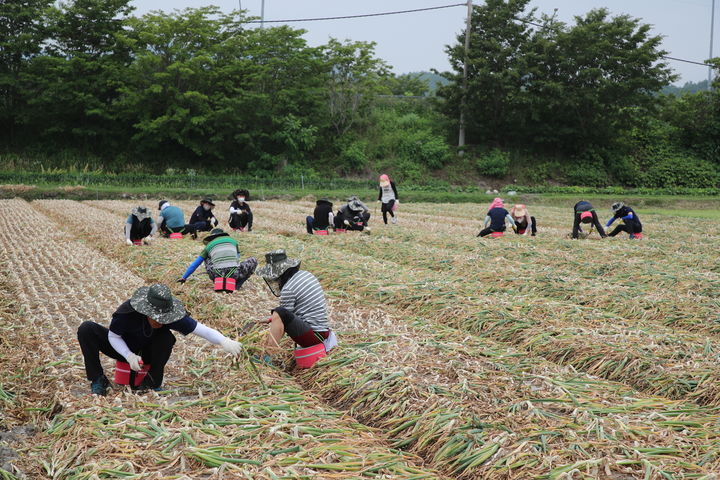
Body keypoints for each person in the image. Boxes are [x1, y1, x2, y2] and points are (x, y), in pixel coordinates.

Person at [77, 284, 243, 395]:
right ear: (146, 310)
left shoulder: (171, 315)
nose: (160, 320)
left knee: (166, 337)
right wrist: (128, 355)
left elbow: (201, 329)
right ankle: (98, 379)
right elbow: (113, 336)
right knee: (87, 329)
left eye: (164, 318)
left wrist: (223, 340)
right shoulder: (127, 313)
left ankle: (151, 381)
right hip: (123, 349)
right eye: (156, 317)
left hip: (148, 352)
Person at [255, 250, 333, 364]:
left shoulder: (288, 289)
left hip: (314, 337)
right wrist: (271, 319)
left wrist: (274, 319)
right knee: (280, 314)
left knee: (279, 312)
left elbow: (283, 317)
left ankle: (266, 356)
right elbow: (291, 315)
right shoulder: (305, 274)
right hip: (323, 332)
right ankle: (266, 354)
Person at [177, 228, 257, 287]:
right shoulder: (233, 241)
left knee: (207, 257)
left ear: (212, 238)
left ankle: (219, 283)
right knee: (253, 260)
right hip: (234, 274)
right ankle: (236, 285)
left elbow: (195, 264)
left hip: (217, 275)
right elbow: (237, 258)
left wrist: (184, 277)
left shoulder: (209, 245)